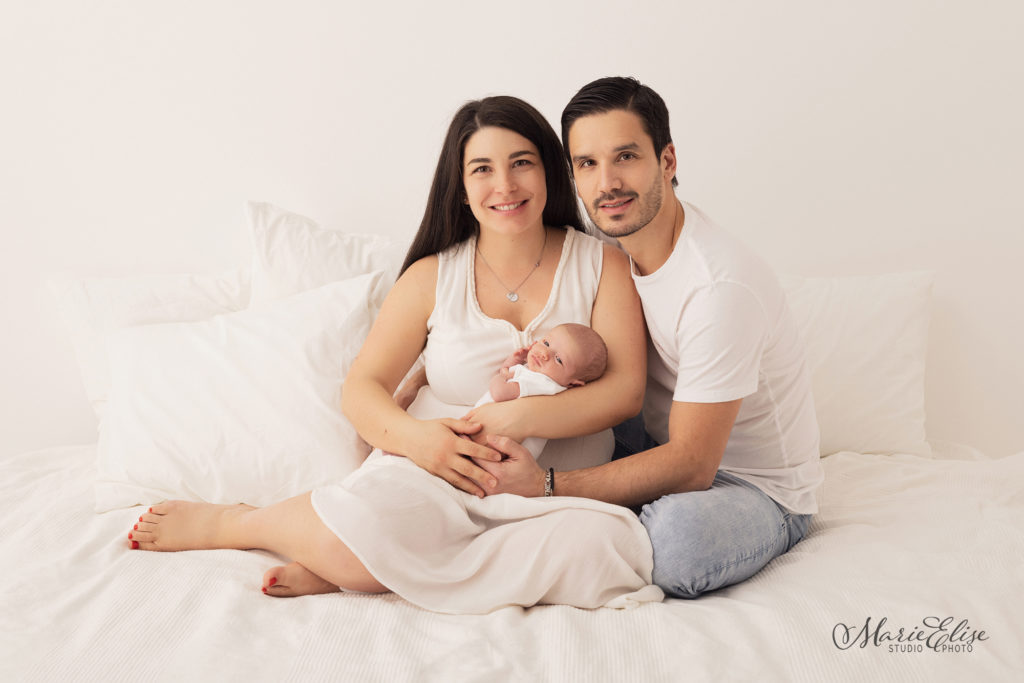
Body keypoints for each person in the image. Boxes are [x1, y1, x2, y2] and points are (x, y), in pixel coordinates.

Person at [125, 95, 662, 614]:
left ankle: (365, 567)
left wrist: (519, 414)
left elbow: (624, 392)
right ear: (460, 187)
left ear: (549, 170)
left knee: (609, 551)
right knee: (370, 529)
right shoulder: (433, 275)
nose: (505, 185)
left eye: (522, 163)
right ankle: (241, 524)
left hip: (547, 499)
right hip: (432, 483)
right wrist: (420, 442)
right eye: (482, 169)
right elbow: (362, 388)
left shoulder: (602, 265)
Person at [475, 77, 824, 599]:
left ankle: (567, 524)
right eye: (587, 164)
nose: (607, 183)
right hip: (644, 441)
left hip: (751, 487)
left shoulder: (717, 287)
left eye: (626, 157)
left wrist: (546, 486)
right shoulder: (602, 241)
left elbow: (692, 464)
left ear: (667, 161)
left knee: (678, 542)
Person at [477, 322, 607, 458]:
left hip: (493, 446)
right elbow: (512, 379)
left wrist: (501, 376)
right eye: (546, 343)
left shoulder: (543, 384)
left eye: (558, 359)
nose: (545, 353)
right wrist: (514, 361)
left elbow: (500, 393)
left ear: (573, 384)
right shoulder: (540, 377)